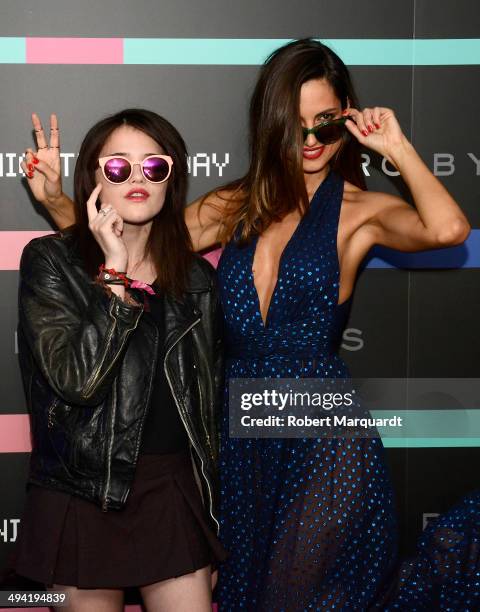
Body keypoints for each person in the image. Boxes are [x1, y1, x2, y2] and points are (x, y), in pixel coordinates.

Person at [21, 39, 477, 609]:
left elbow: (448, 230)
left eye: (326, 125)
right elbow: (135, 248)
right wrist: (63, 204)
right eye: (296, 126)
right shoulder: (233, 204)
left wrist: (397, 147)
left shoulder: (360, 211)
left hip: (322, 442)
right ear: (270, 124)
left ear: (346, 122)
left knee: (299, 594)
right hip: (238, 443)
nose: (311, 142)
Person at [14, 108, 227, 612]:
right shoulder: (51, 263)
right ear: (93, 177)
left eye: (154, 166)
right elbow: (79, 383)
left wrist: (210, 519)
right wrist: (113, 276)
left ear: (170, 180)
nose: (137, 177)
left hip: (171, 494)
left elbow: (208, 413)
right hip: (82, 491)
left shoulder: (195, 278)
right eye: (117, 167)